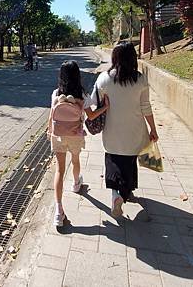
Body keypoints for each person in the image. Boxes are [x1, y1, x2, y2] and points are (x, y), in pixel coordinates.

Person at [91, 42, 159, 218]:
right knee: (129, 162)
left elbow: (93, 102)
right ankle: (126, 191)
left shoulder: (104, 79)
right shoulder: (141, 79)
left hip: (112, 132)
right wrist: (153, 129)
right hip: (135, 131)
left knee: (113, 161)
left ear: (115, 57)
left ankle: (116, 195)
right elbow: (146, 107)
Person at [48, 60, 109, 227]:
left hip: (58, 135)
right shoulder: (82, 95)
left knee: (59, 170)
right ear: (77, 75)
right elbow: (91, 116)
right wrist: (105, 107)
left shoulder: (55, 93)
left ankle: (59, 212)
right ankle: (76, 184)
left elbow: (51, 116)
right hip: (76, 135)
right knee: (75, 161)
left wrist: (49, 131)